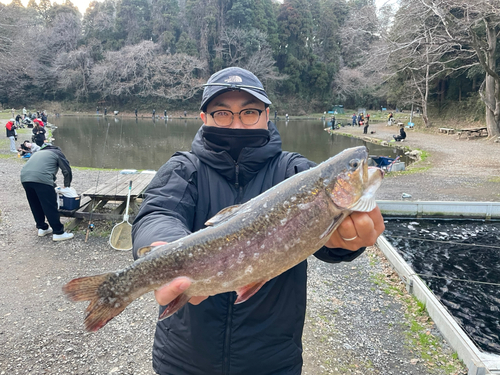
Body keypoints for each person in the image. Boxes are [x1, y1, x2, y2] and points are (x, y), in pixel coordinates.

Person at [131, 67, 385, 375]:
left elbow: (329, 244)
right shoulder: (183, 169)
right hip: (183, 359)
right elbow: (158, 213)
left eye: (249, 112)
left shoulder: (297, 173)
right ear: (204, 118)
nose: (236, 124)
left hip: (271, 361)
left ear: (266, 114)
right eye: (222, 113)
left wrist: (347, 242)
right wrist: (166, 248)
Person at [20, 143, 74, 241]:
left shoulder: (38, 153)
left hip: (25, 178)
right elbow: (66, 170)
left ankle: (42, 228)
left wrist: (53, 185)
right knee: (49, 205)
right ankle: (58, 232)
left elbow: (41, 169)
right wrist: (67, 185)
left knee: (35, 204)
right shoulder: (57, 153)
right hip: (41, 179)